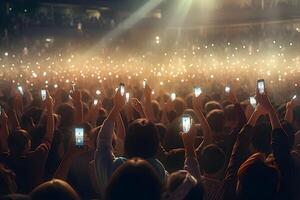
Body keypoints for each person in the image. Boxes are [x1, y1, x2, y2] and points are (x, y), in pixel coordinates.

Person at [0, 94, 54, 193]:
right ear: (27, 145)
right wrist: (50, 109)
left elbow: (6, 142)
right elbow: (49, 134)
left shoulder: (5, 160)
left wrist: (4, 122)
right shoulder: (35, 158)